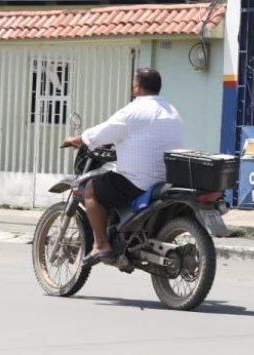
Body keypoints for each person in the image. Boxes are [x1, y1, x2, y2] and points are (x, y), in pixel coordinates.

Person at [61, 68, 183, 266]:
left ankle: (101, 245)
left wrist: (78, 139)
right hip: (164, 180)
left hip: (137, 181)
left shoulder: (134, 110)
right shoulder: (172, 111)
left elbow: (103, 132)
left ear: (137, 87)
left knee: (92, 189)